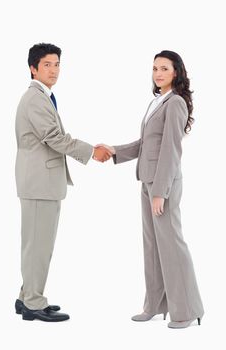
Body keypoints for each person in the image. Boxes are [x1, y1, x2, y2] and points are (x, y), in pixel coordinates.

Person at [98, 50, 204, 329]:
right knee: (152, 247)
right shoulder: (158, 102)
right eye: (155, 68)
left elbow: (171, 151)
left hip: (162, 184)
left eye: (164, 69)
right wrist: (115, 151)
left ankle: (187, 310)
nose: (158, 73)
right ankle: (155, 306)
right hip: (147, 181)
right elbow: (146, 144)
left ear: (176, 73)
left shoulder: (176, 103)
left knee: (172, 246)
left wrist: (161, 191)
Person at [15, 43, 112, 322]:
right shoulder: (35, 98)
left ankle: (27, 297)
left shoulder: (43, 96)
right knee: (38, 246)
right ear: (33, 68)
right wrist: (92, 151)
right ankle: (33, 303)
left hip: (40, 182)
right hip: (38, 183)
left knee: (36, 245)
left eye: (57, 64)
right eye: (47, 64)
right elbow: (54, 138)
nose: (54, 70)